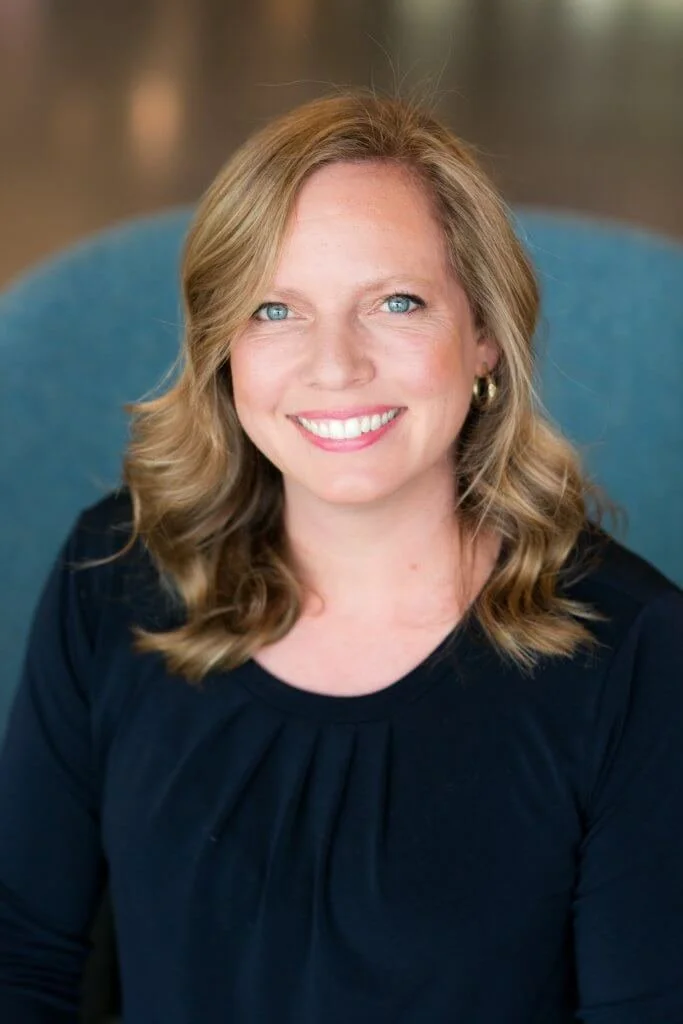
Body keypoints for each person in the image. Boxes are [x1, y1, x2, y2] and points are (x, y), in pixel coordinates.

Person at [1, 90, 682, 1024]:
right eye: (275, 310)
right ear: (221, 349)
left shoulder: (636, 654)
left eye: (395, 302)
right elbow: (21, 954)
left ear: (483, 334)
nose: (334, 366)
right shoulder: (117, 572)